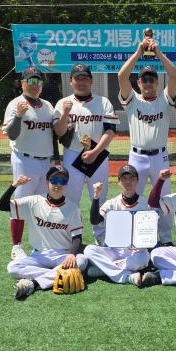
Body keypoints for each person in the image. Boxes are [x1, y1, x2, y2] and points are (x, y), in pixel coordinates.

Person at [117, 36, 176, 245]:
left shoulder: (164, 99)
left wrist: (158, 53)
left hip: (160, 157)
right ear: (139, 83)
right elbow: (121, 76)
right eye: (144, 79)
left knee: (164, 198)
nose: (148, 83)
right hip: (137, 157)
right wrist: (139, 52)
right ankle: (131, 237)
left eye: (152, 79)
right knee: (131, 196)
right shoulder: (132, 100)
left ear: (157, 82)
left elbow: (175, 76)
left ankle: (165, 239)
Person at [0, 167, 86, 300]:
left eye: (62, 181)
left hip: (63, 255)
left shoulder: (72, 208)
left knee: (81, 261)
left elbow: (77, 237)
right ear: (47, 182)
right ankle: (57, 274)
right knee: (13, 267)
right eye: (54, 180)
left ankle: (34, 283)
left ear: (67, 184)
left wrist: (72, 254)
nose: (58, 184)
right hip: (39, 255)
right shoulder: (34, 201)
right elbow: (2, 206)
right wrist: (14, 185)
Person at [54, 63, 118, 243]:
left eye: (85, 78)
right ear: (71, 81)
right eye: (78, 78)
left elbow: (110, 130)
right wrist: (65, 113)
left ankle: (101, 236)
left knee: (99, 197)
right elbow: (59, 132)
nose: (81, 82)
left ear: (91, 81)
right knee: (70, 198)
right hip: (72, 153)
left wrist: (95, 151)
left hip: (97, 154)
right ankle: (72, 236)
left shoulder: (103, 102)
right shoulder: (62, 103)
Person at [2, 66, 58, 260]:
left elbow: (52, 135)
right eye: (31, 81)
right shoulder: (15, 104)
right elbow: (12, 134)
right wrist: (18, 116)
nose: (35, 85)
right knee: (20, 203)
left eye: (38, 81)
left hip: (45, 162)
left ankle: (41, 243)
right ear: (22, 83)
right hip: (24, 160)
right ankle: (16, 246)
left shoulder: (48, 106)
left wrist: (55, 158)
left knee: (43, 204)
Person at [83, 165, 151, 286]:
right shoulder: (111, 203)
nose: (128, 181)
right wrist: (96, 196)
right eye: (124, 178)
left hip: (135, 252)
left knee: (144, 257)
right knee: (89, 250)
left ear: (137, 181)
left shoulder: (145, 204)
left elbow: (149, 232)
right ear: (119, 182)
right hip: (113, 251)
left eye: (132, 178)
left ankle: (104, 271)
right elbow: (95, 220)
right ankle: (126, 276)